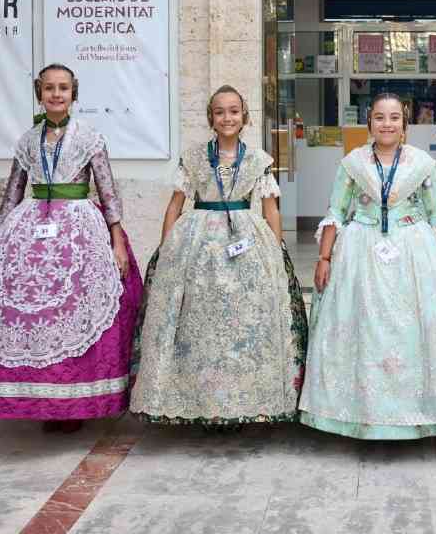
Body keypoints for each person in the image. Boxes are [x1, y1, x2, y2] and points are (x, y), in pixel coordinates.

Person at [0, 64, 143, 432]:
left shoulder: (90, 138)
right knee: (27, 315)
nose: (56, 94)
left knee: (73, 311)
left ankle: (73, 403)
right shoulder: (28, 141)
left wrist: (117, 241)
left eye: (63, 88)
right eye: (49, 88)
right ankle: (38, 400)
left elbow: (108, 191)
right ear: (39, 93)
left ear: (74, 93)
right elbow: (13, 192)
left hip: (79, 230)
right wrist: (1, 239)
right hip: (30, 229)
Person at [299, 93, 436, 439]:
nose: (387, 124)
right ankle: (363, 415)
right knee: (365, 329)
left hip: (414, 250)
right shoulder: (353, 163)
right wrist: (324, 257)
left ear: (404, 125)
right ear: (369, 123)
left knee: (415, 330)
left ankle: (424, 412)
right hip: (361, 250)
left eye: (394, 118)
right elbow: (336, 211)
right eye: (380, 117)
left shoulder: (422, 164)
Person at [130, 86, 307, 428]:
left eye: (234, 111)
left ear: (245, 116)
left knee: (243, 321)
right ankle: (201, 401)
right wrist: (167, 249)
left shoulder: (257, 160)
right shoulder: (194, 157)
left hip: (246, 240)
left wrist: (276, 248)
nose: (228, 117)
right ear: (211, 117)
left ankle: (242, 401)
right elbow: (175, 205)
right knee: (200, 322)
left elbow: (270, 208)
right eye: (220, 111)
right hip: (197, 242)